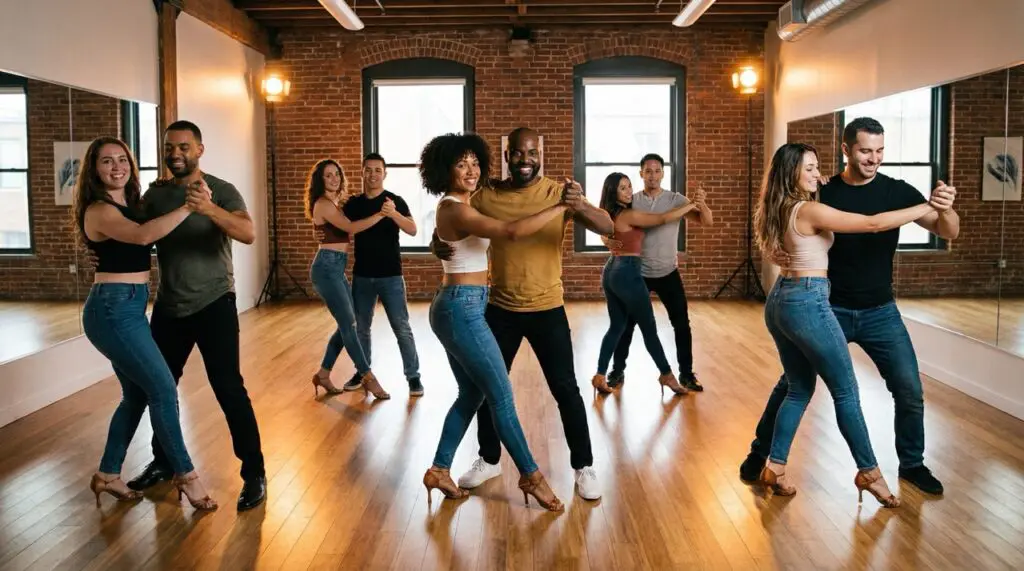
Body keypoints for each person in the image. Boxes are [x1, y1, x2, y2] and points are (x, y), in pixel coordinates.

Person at [740, 118, 959, 497]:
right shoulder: (820, 191)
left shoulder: (899, 191)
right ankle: (762, 454)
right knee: (793, 386)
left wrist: (943, 207)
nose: (873, 159)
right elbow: (807, 232)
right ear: (846, 149)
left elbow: (949, 231)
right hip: (826, 306)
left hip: (879, 310)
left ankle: (912, 464)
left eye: (879, 151)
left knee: (908, 389)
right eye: (865, 151)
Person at [430, 127, 614, 501]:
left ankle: (584, 465)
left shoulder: (557, 193)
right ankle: (489, 458)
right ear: (506, 155)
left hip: (547, 307)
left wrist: (578, 206)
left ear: (540, 154)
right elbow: (456, 218)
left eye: (532, 152)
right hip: (499, 306)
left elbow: (609, 228)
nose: (525, 159)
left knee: (566, 390)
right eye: (517, 153)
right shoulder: (485, 194)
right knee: (486, 391)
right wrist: (437, 241)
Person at [123, 120, 267, 511]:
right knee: (160, 387)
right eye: (170, 147)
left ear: (200, 149)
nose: (176, 154)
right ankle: (164, 461)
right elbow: (133, 233)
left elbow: (248, 233)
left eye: (184, 147)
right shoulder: (157, 195)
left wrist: (209, 208)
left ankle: (254, 472)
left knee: (228, 388)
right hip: (170, 307)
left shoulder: (220, 189)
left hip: (215, 302)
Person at [420, 132, 565, 512]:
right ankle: (531, 476)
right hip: (461, 307)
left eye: (474, 162)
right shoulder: (454, 207)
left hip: (461, 305)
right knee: (501, 397)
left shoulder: (463, 204)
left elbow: (452, 238)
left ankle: (439, 469)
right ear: (444, 170)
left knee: (472, 394)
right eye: (460, 164)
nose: (470, 170)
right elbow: (512, 232)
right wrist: (560, 205)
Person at [75, 137, 216, 511]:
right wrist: (190, 206)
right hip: (112, 309)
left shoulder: (129, 203)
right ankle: (186, 475)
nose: (117, 166)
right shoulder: (99, 210)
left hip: (132, 306)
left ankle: (107, 474)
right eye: (107, 161)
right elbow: (143, 236)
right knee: (163, 388)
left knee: (136, 394)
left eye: (123, 159)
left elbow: (146, 224)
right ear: (94, 170)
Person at [602, 154, 714, 392]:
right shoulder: (632, 201)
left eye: (657, 171)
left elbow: (706, 221)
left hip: (668, 272)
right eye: (648, 171)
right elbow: (610, 224)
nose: (652, 175)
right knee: (626, 326)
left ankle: (686, 374)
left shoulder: (676, 199)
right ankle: (617, 371)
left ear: (663, 173)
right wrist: (608, 242)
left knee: (681, 324)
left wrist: (701, 203)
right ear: (641, 173)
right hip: (638, 273)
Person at [305, 158, 391, 399]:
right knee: (350, 325)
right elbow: (351, 228)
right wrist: (380, 215)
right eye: (328, 176)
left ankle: (323, 374)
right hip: (326, 268)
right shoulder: (323, 204)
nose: (334, 179)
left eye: (337, 174)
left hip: (337, 267)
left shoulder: (334, 203)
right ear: (320, 181)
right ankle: (368, 377)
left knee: (347, 323)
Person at [340, 153, 423, 397]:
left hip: (391, 276)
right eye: (369, 170)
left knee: (402, 327)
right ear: (363, 172)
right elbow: (345, 229)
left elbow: (412, 229)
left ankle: (413, 376)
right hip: (363, 276)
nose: (373, 174)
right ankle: (362, 372)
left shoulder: (394, 201)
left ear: (384, 174)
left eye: (378, 170)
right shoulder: (354, 204)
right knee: (361, 329)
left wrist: (393, 213)